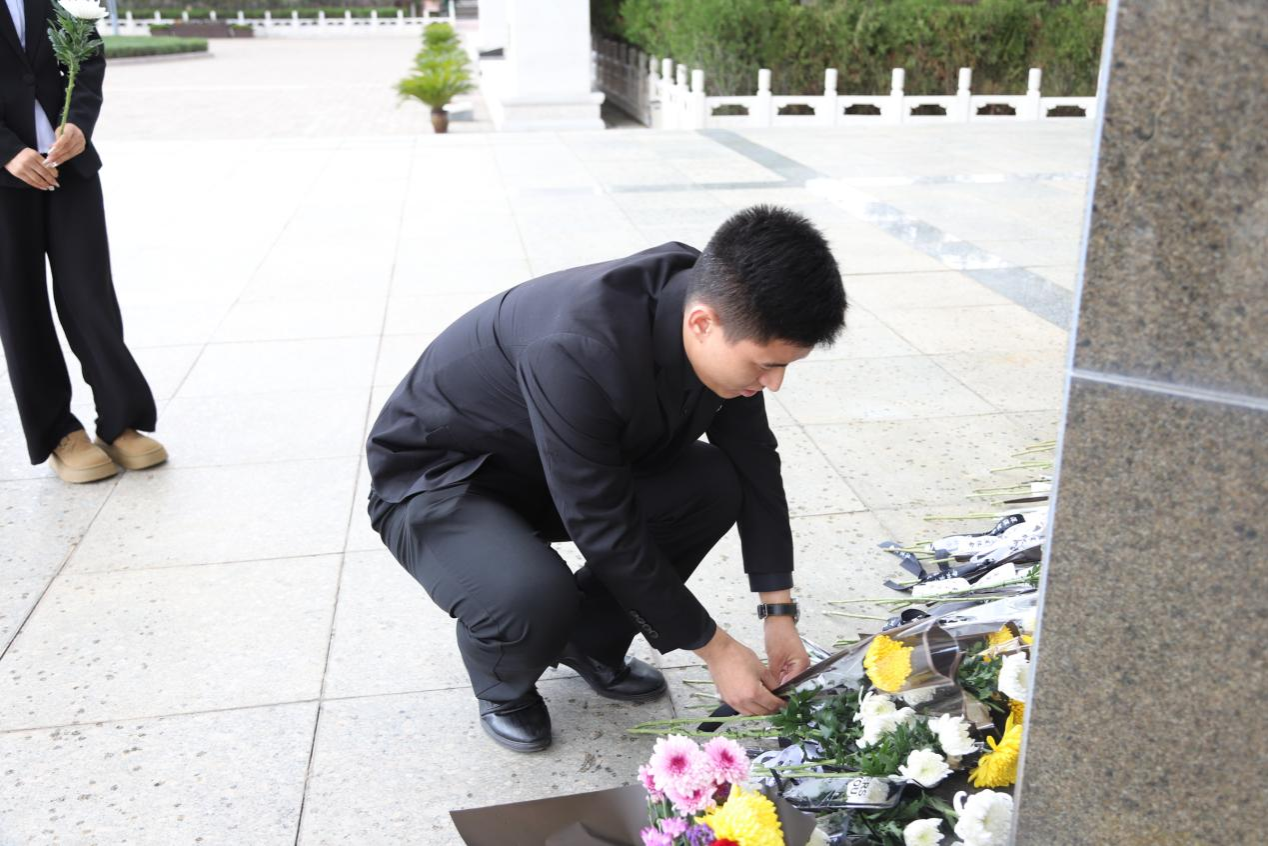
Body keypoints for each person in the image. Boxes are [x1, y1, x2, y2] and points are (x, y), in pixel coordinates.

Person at [367, 205, 847, 752]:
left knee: (715, 482)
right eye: (766, 365)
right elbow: (604, 525)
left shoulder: (722, 307)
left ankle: (589, 642)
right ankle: (503, 684)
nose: (774, 383)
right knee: (530, 594)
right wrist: (715, 649)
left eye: (785, 366)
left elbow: (754, 461)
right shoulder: (578, 345)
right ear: (702, 324)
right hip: (447, 480)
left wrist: (778, 612)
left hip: (560, 466)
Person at [0, 0, 165, 483]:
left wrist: (78, 123)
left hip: (69, 166)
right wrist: (6, 151)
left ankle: (120, 420)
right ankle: (58, 432)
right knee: (21, 306)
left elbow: (88, 56)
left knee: (90, 294)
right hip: (5, 177)